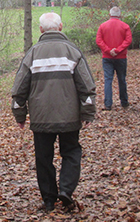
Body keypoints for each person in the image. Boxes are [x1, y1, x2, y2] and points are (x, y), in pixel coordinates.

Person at [11, 12, 97, 212]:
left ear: (41, 29)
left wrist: (20, 115)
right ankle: (66, 190)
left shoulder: (32, 53)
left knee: (43, 158)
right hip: (69, 116)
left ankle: (49, 199)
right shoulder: (73, 52)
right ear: (61, 27)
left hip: (41, 117)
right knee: (71, 152)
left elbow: (19, 88)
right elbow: (87, 86)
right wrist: (88, 112)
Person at [96, 7, 132, 110]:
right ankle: (124, 101)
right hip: (121, 57)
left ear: (109, 14)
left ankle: (108, 103)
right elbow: (128, 40)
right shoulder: (125, 26)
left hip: (107, 57)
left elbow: (99, 41)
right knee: (121, 79)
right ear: (120, 15)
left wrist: (108, 50)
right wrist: (117, 50)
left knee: (108, 79)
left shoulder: (102, 26)